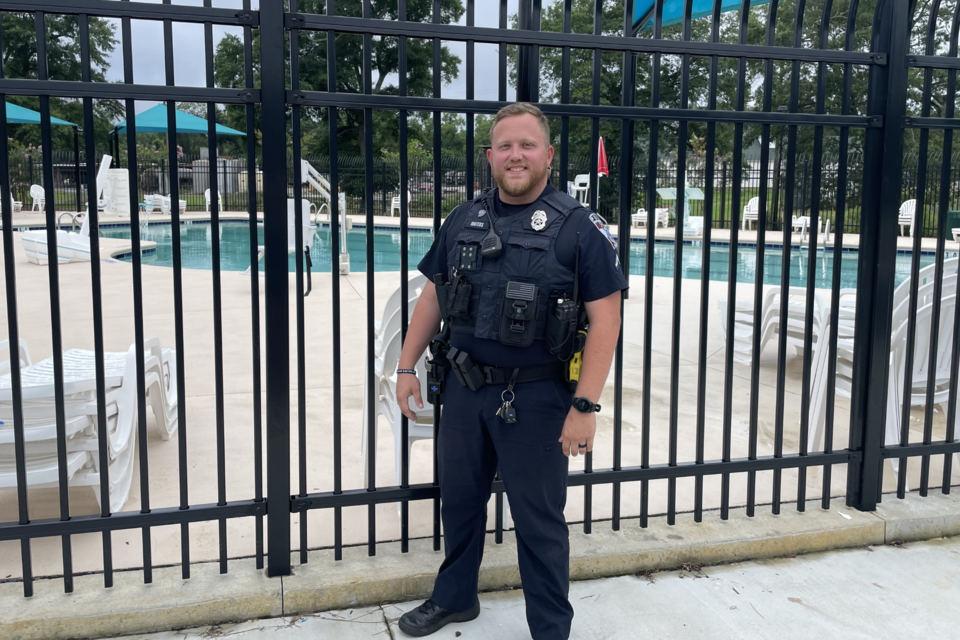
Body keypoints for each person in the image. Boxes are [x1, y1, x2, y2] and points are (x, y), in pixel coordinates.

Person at [394, 103, 628, 640]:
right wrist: (407, 364)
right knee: (459, 503)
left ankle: (550, 628)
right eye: (504, 146)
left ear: (547, 155)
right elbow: (432, 293)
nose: (515, 155)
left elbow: (607, 319)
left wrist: (585, 407)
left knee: (539, 522)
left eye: (526, 145)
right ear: (490, 156)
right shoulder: (463, 218)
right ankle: (455, 599)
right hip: (464, 388)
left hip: (538, 397)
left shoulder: (580, 227)